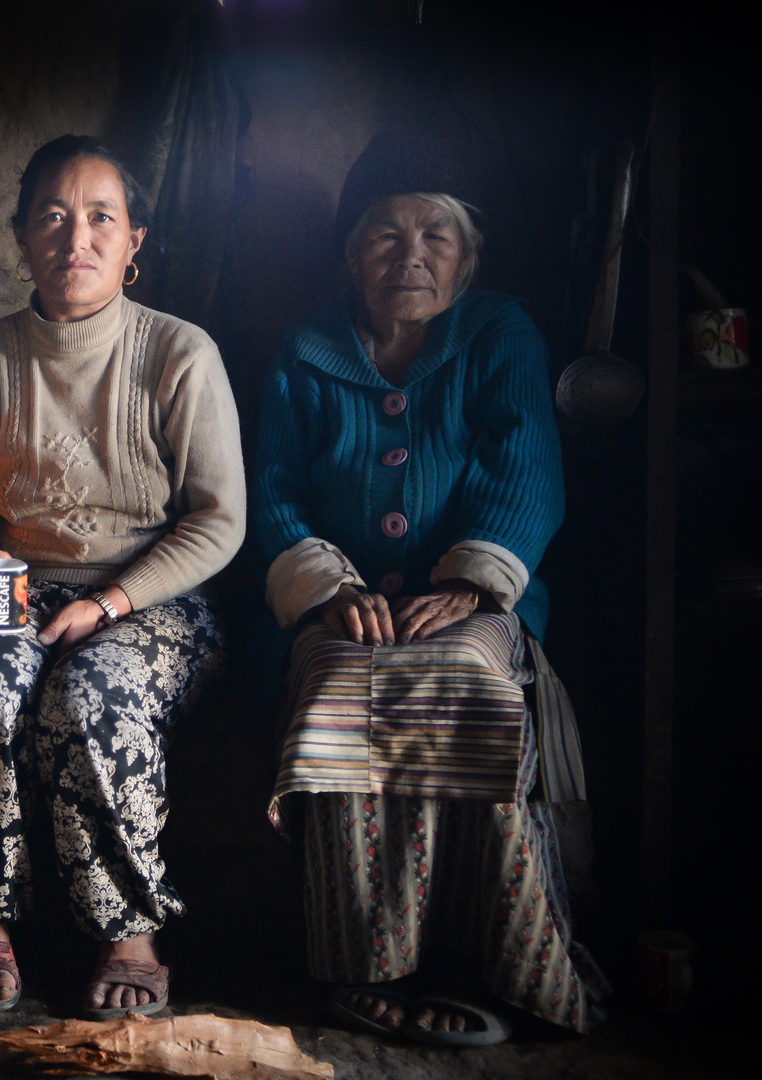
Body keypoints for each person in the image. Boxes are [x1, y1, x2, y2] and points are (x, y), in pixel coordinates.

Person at [253, 134, 605, 1043]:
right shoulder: (304, 349)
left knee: (466, 679)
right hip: (345, 603)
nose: (409, 254)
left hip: (472, 602)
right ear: (348, 254)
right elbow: (273, 490)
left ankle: (478, 957)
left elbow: (526, 468)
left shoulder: (499, 333)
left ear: (469, 256)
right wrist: (328, 586)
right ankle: (366, 960)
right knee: (340, 683)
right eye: (383, 234)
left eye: (434, 236)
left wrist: (474, 583)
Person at [0, 135, 246, 1016]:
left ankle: (127, 929)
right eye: (53, 218)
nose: (77, 239)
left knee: (89, 691)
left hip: (154, 599)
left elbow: (219, 520)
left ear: (134, 240)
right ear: (21, 235)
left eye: (102, 217)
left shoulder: (179, 354)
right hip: (17, 590)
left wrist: (108, 602)